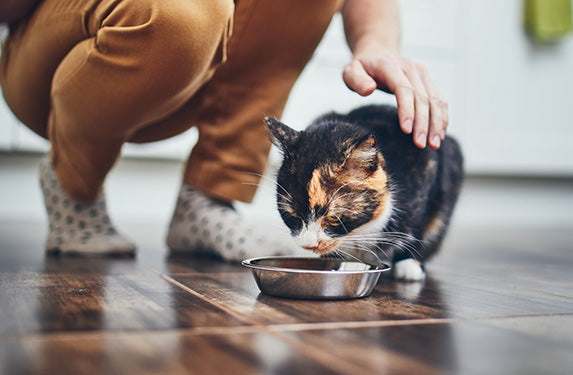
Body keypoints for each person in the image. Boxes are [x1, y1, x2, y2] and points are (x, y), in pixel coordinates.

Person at [0, 0, 448, 259]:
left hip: (192, 73)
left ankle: (207, 197)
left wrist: (376, 46)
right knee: (186, 11)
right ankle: (73, 182)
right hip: (55, 58)